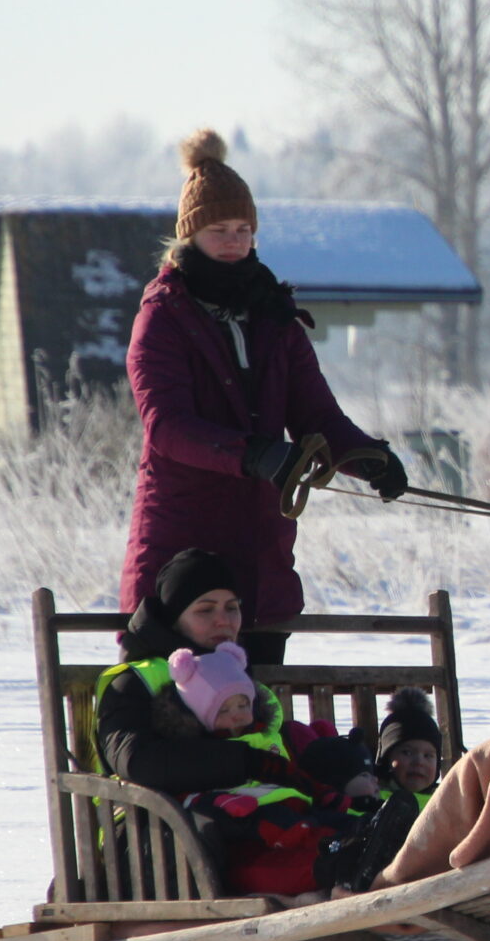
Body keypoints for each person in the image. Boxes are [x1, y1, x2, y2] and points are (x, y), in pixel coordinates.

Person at [120, 128, 407, 668]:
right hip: (182, 558)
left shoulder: (276, 318)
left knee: (258, 721)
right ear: (190, 237)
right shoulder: (162, 318)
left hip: (259, 557)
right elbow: (168, 425)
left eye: (243, 229)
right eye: (219, 229)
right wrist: (252, 453)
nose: (233, 240)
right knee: (182, 710)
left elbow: (317, 415)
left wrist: (367, 459)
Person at [95, 550, 377, 898]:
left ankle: (371, 857)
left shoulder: (240, 679)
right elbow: (139, 762)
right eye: (205, 609)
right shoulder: (133, 681)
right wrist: (242, 761)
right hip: (157, 834)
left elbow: (279, 756)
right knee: (253, 843)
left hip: (256, 815)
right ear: (174, 618)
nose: (223, 620)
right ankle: (350, 865)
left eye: (232, 607)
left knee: (323, 831)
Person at [314, 689, 448, 896]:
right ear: (385, 759)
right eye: (407, 752)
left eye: (428, 755)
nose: (418, 761)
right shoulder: (372, 794)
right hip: (377, 867)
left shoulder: (443, 797)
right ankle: (362, 879)